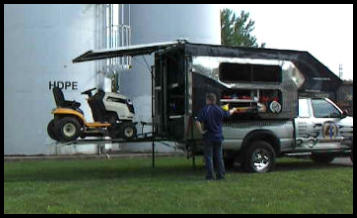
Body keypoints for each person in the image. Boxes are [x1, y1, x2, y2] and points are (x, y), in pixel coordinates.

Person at [195, 93, 237, 180]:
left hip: (208, 137)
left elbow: (197, 121)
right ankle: (220, 175)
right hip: (218, 137)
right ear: (214, 100)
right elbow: (228, 113)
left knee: (209, 157)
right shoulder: (219, 109)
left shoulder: (205, 109)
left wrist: (201, 131)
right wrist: (233, 110)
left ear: (208, 100)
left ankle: (210, 176)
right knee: (219, 157)